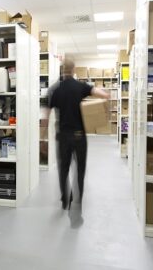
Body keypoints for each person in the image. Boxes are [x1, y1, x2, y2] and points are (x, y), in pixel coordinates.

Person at [46, 59, 109, 212]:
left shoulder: (54, 89)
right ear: (73, 69)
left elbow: (46, 115)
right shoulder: (80, 86)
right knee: (80, 169)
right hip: (79, 135)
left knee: (63, 169)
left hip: (63, 136)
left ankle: (64, 199)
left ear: (62, 70)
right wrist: (105, 100)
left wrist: (43, 138)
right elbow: (102, 95)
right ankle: (78, 198)